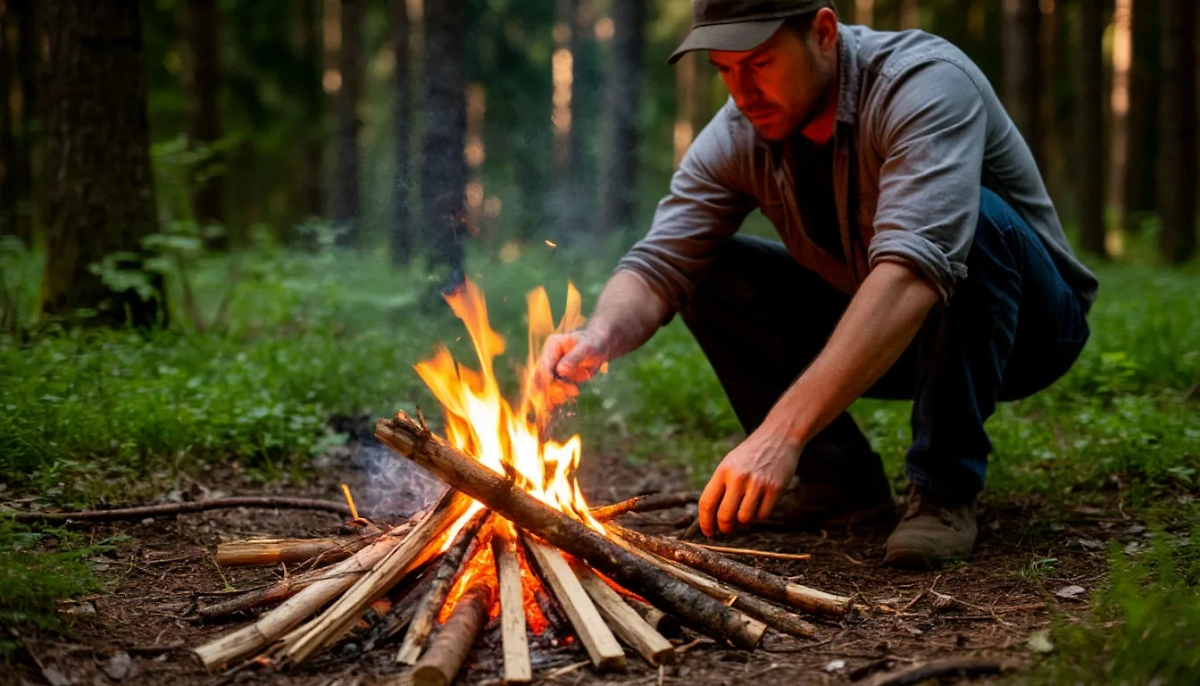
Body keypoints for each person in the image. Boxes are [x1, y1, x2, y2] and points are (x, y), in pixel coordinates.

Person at [537, 0, 1097, 568]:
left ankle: (943, 489)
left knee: (968, 219)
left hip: (1027, 330)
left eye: (758, 64)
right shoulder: (739, 133)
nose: (742, 92)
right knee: (712, 267)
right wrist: (599, 337)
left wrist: (782, 432)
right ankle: (838, 486)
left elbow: (913, 270)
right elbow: (662, 262)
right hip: (890, 333)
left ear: (823, 32)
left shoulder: (925, 84)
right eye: (725, 71)